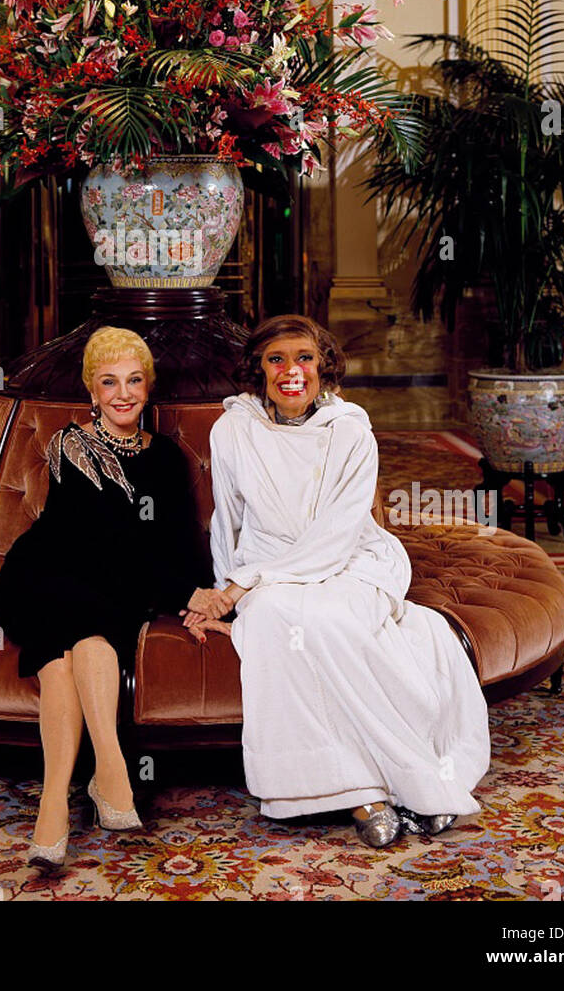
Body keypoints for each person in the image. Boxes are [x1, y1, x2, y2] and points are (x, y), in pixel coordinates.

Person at [183, 314, 491, 848]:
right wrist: (226, 594)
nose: (291, 371)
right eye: (276, 359)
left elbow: (337, 532)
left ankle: (409, 774)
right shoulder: (232, 427)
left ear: (323, 365)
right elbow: (227, 522)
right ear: (258, 369)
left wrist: (242, 585)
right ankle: (362, 791)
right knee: (278, 619)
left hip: (351, 557)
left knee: (331, 618)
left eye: (303, 358)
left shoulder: (351, 428)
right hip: (265, 566)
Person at [0, 326, 223, 869]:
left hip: (108, 589)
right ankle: (110, 768)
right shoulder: (71, 446)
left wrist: (196, 596)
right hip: (42, 574)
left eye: (134, 380)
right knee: (85, 614)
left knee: (69, 647)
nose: (123, 393)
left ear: (149, 387)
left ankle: (54, 801)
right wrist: (177, 588)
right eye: (109, 382)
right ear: (91, 391)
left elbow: (176, 537)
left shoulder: (165, 456)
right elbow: (100, 540)